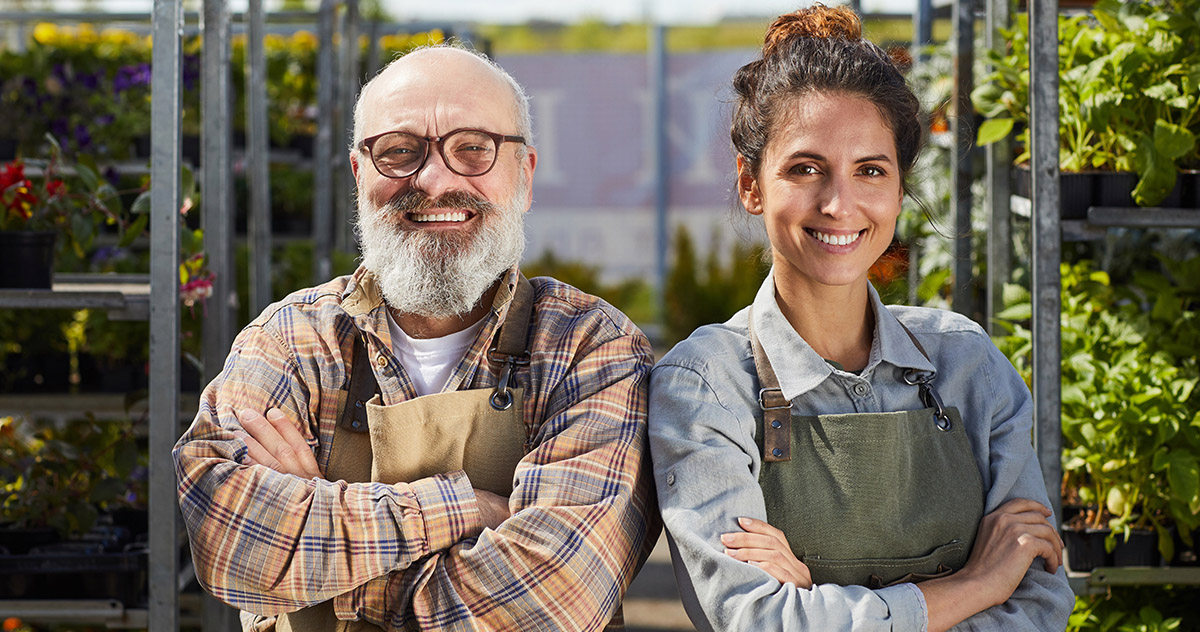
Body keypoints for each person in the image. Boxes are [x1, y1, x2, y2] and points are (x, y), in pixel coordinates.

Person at [173, 44, 658, 632]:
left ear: (525, 175)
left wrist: (320, 568)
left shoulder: (589, 348)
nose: (432, 180)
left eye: (473, 149)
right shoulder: (292, 339)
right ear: (359, 176)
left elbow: (549, 602)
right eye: (399, 152)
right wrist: (467, 509)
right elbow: (228, 542)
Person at [647, 5, 1075, 631]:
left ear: (900, 190)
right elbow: (759, 620)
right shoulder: (705, 384)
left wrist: (818, 599)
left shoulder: (965, 362)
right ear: (751, 183)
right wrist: (977, 582)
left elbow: (1038, 604)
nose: (838, 202)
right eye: (804, 168)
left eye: (870, 170)